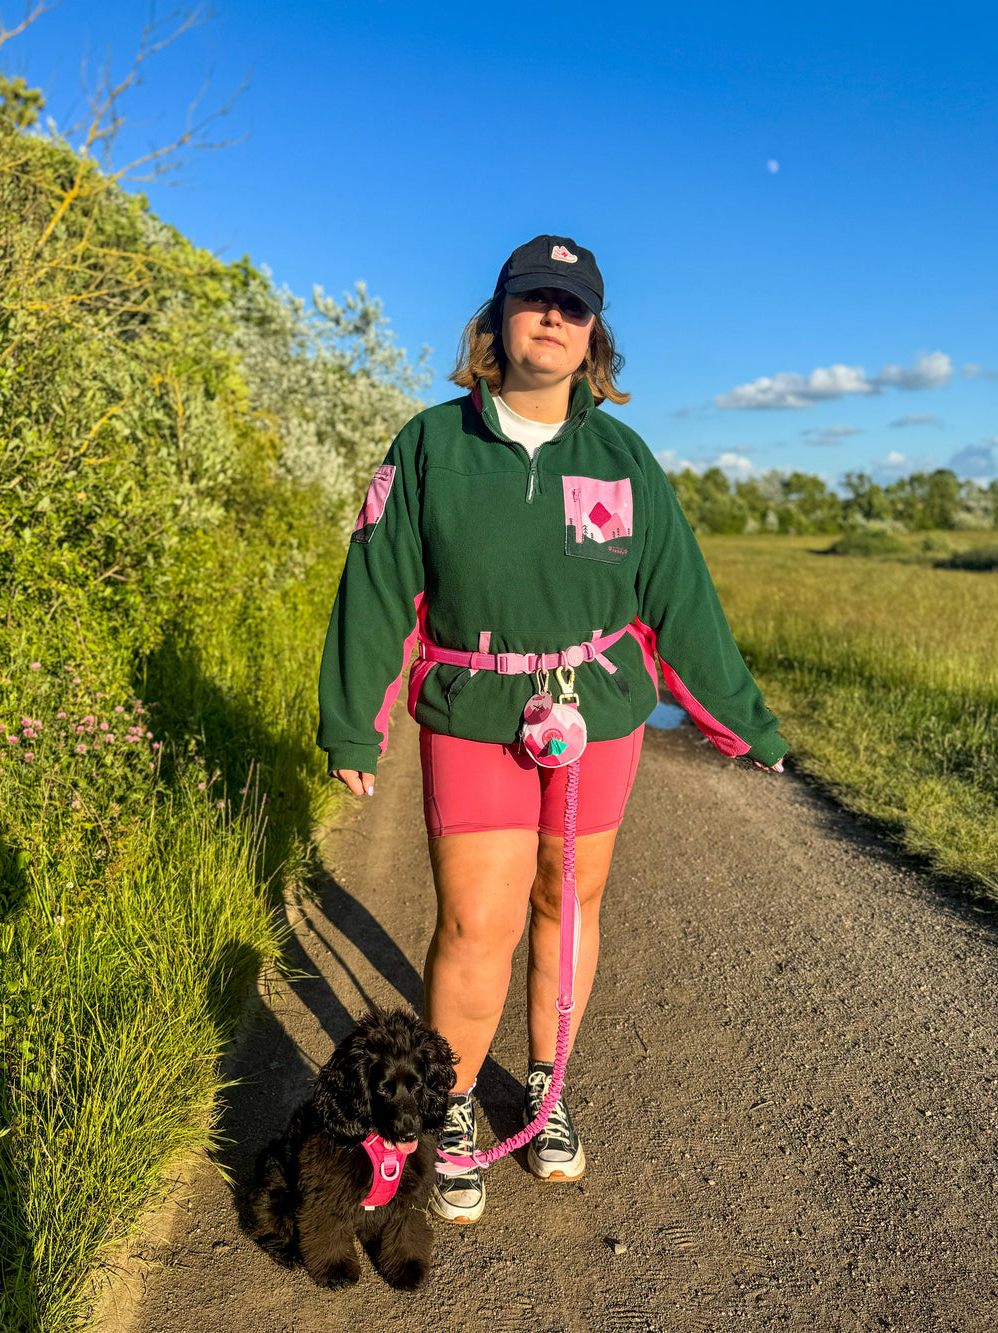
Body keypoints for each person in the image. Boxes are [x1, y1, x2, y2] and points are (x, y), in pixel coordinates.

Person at [317, 234, 787, 1225]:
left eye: (571, 307)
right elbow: (375, 589)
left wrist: (739, 718)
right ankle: (446, 1112)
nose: (550, 316)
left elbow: (678, 600)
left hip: (597, 716)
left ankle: (544, 1085)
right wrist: (352, 723)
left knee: (566, 902)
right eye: (531, 298)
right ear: (492, 323)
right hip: (474, 712)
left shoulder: (622, 457)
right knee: (473, 924)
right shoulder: (430, 445)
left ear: (592, 338)